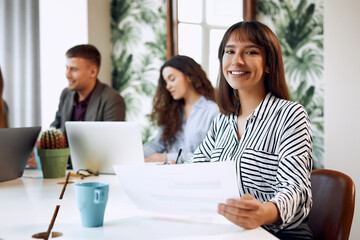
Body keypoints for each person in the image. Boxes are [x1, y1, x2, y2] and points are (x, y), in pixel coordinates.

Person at [191, 21, 313, 239]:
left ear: (269, 64)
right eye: (230, 51)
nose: (237, 60)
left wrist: (263, 212)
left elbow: (295, 189)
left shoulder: (290, 115)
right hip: (228, 231)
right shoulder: (222, 122)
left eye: (251, 52)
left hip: (277, 234)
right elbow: (196, 171)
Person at [144, 55, 219, 164]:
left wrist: (167, 157)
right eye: (166, 82)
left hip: (197, 175)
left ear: (189, 76)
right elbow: (157, 144)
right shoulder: (172, 112)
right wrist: (135, 153)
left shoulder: (212, 111)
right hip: (169, 173)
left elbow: (210, 155)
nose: (168, 86)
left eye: (172, 79)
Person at [51, 44, 126, 134]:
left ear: (93, 72)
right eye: (67, 68)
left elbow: (111, 141)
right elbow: (55, 129)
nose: (67, 75)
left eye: (74, 69)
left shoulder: (112, 100)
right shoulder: (66, 94)